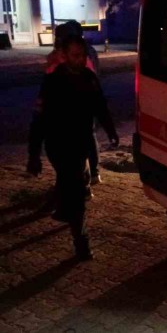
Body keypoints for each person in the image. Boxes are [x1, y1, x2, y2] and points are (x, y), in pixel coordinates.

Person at [36, 35, 118, 261]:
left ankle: (64, 209)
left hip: (80, 144)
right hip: (58, 145)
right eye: (75, 55)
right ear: (64, 55)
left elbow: (100, 106)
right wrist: (34, 154)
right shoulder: (53, 82)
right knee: (76, 191)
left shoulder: (89, 78)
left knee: (71, 185)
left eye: (82, 55)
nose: (80, 60)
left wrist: (111, 130)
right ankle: (81, 241)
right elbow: (39, 119)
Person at [28, 21, 102, 198]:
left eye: (59, 36)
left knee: (79, 146)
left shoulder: (71, 54)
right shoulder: (75, 52)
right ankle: (81, 181)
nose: (57, 39)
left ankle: (84, 184)